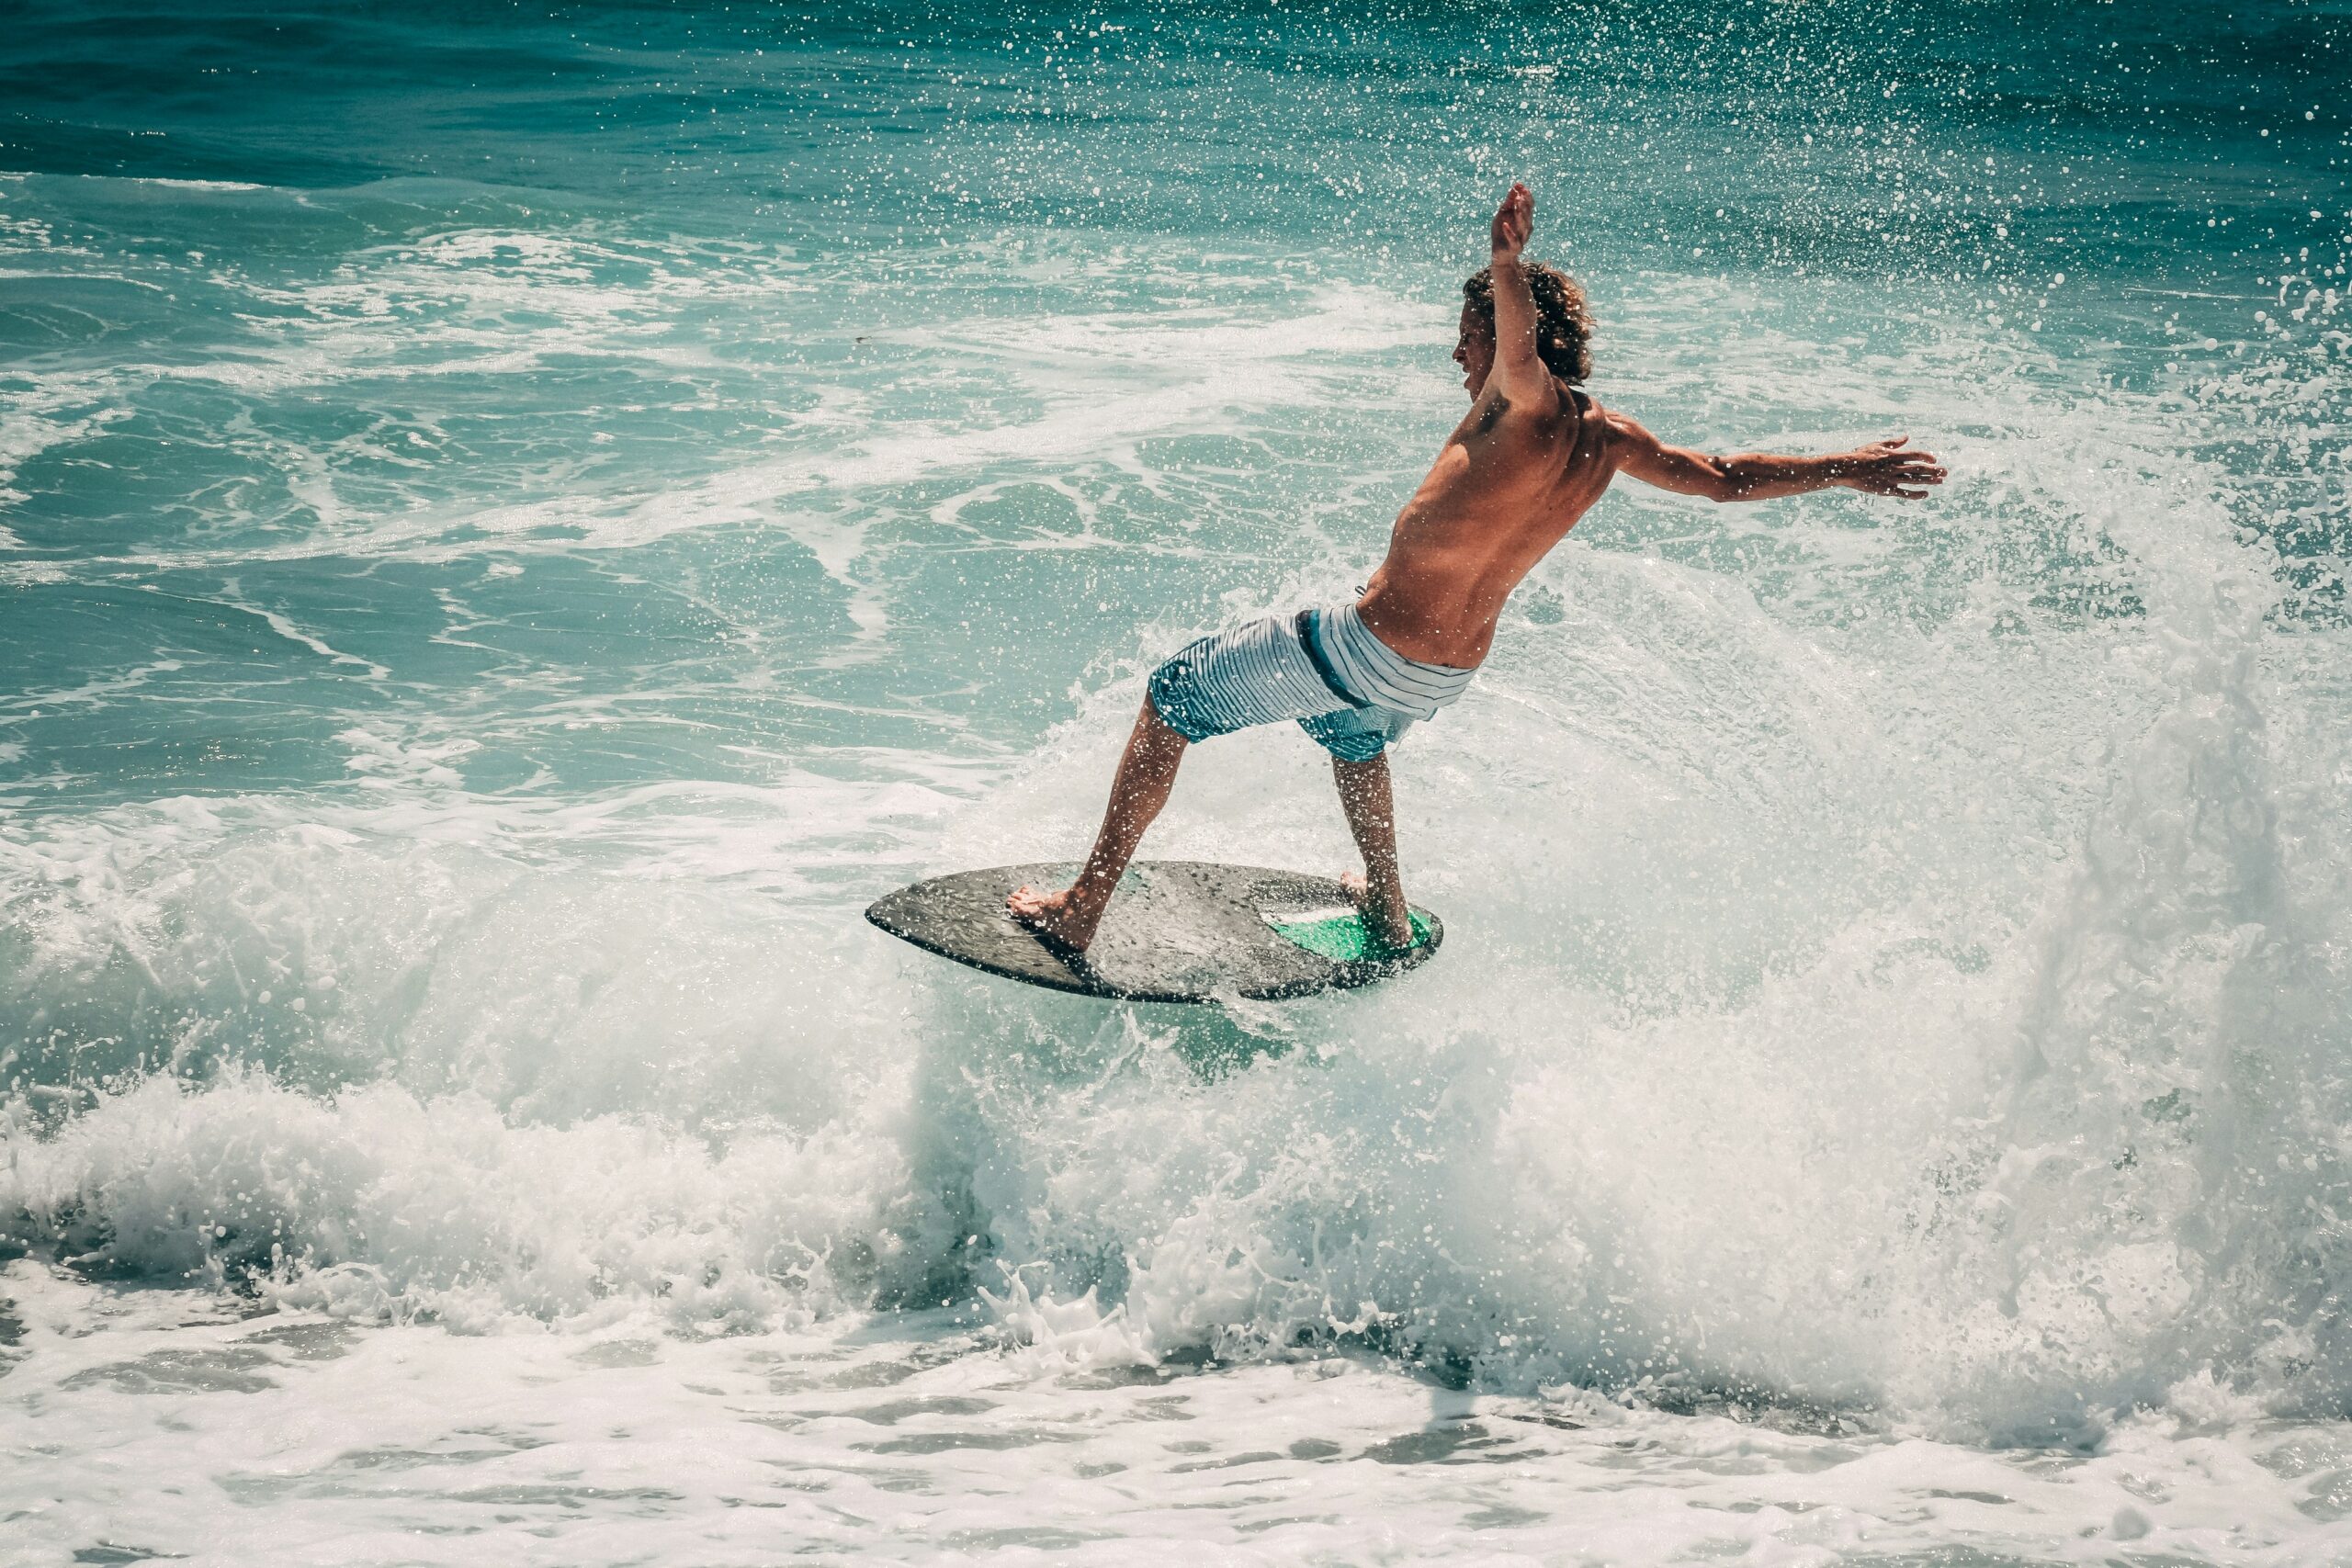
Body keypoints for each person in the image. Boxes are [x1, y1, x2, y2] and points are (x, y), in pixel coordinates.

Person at [1009, 183, 1946, 955]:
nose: (1457, 351)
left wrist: (1503, 265)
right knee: (1352, 740)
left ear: (1507, 343)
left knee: (1172, 697)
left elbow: (1518, 346)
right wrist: (1846, 467)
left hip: (1369, 649)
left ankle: (1082, 910)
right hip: (1439, 677)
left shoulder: (1522, 400)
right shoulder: (1611, 439)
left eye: (1469, 334)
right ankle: (1383, 908)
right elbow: (1726, 481)